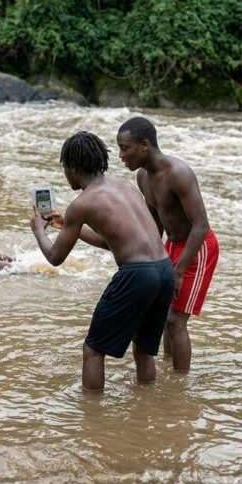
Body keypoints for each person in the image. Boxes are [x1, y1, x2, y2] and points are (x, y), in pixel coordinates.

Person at [31, 131, 174, 392]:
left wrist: (39, 231)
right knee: (143, 350)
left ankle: (93, 420)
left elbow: (54, 258)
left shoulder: (82, 204)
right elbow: (112, 241)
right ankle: (149, 408)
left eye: (65, 168)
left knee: (93, 350)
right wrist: (68, 226)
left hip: (137, 275)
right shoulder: (125, 186)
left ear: (73, 168)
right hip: (164, 270)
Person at [116, 116, 219, 372]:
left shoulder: (178, 174)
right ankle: (168, 366)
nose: (121, 155)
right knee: (162, 315)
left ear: (145, 146)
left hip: (198, 246)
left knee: (175, 321)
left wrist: (179, 271)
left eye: (125, 148)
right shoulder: (143, 177)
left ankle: (180, 385)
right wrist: (151, 259)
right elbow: (155, 224)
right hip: (171, 245)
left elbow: (201, 225)